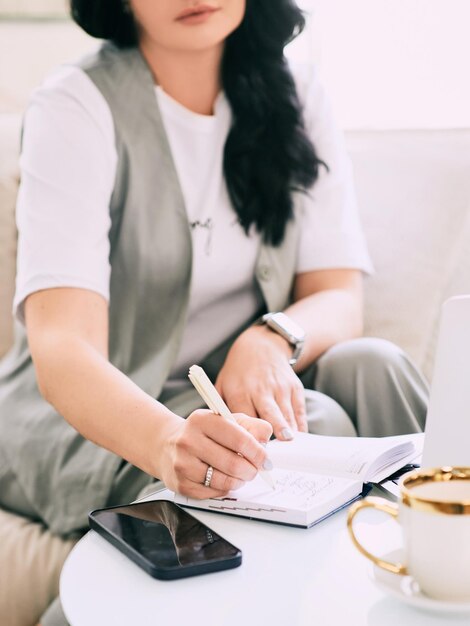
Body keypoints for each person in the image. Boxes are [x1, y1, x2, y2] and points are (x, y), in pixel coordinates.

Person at [0, 0, 429, 624]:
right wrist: (169, 438)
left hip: (236, 391)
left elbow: (340, 297)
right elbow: (64, 350)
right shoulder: (77, 106)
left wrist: (267, 339)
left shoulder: (297, 93)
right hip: (100, 416)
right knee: (314, 420)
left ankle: (444, 568)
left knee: (375, 365)